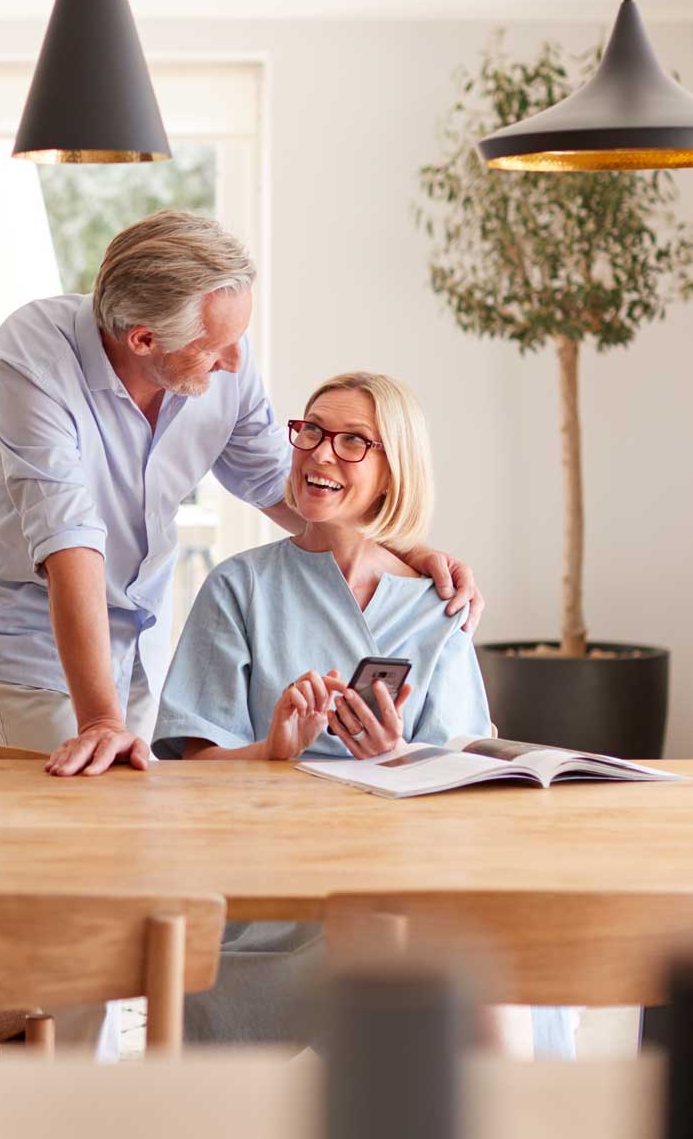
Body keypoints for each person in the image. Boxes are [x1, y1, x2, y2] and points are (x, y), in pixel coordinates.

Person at [0, 212, 483, 779]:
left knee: (136, 811)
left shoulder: (222, 349)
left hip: (141, 621)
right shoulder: (32, 361)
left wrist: (400, 549)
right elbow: (69, 539)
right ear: (144, 339)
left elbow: (281, 481)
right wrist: (101, 721)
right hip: (39, 629)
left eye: (238, 339)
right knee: (79, 800)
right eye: (215, 348)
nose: (235, 361)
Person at [151, 370, 572, 1058]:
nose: (320, 453)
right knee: (411, 941)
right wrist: (272, 751)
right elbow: (187, 770)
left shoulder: (439, 608)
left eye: (353, 442)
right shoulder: (239, 588)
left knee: (474, 948)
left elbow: (473, 781)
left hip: (419, 873)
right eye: (311, 430)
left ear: (391, 470)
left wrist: (397, 759)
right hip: (281, 887)